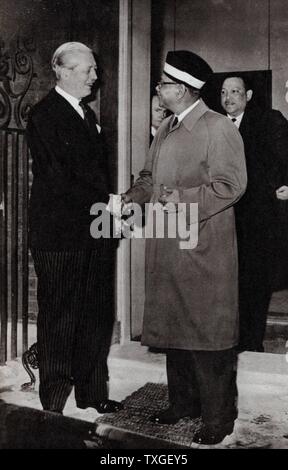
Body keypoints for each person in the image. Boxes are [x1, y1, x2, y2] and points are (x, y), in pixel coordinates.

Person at [122, 50, 247, 445]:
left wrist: (180, 198)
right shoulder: (167, 128)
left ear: (183, 89)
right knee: (176, 329)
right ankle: (183, 404)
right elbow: (147, 176)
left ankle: (218, 417)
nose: (158, 90)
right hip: (168, 248)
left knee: (207, 336)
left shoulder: (218, 129)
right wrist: (134, 197)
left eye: (163, 84)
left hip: (204, 251)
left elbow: (230, 186)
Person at [26, 42, 122, 415]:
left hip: (95, 231)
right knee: (60, 318)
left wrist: (106, 209)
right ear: (63, 71)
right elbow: (60, 178)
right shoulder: (44, 115)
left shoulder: (88, 115)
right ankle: (53, 400)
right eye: (88, 70)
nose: (95, 77)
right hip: (59, 236)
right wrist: (108, 201)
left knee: (96, 314)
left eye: (94, 70)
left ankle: (92, 392)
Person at [221, 75, 288, 352]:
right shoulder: (212, 125)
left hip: (256, 221)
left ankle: (251, 343)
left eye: (235, 91)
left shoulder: (268, 121)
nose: (229, 97)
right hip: (222, 219)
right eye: (224, 92)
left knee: (253, 284)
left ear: (248, 95)